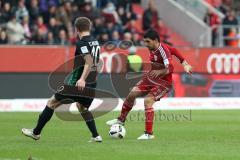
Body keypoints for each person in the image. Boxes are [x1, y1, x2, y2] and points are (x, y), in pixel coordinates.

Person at [22, 17, 102, 142]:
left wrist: (81, 79)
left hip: (78, 85)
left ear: (76, 29)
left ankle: (36, 133)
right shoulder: (95, 42)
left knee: (51, 103)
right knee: (82, 107)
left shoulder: (81, 43)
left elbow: (89, 61)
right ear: (89, 27)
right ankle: (96, 136)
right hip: (92, 85)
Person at [106, 29, 192, 140]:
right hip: (151, 78)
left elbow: (170, 68)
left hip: (163, 83)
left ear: (155, 40)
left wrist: (160, 71)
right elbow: (174, 50)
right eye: (144, 42)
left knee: (148, 101)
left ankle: (149, 134)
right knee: (132, 94)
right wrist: (185, 63)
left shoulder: (163, 51)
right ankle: (121, 120)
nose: (145, 44)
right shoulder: (156, 47)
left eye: (147, 42)